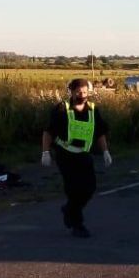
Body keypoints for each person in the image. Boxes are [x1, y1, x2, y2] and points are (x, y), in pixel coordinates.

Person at [41, 78, 112, 238]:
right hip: (65, 155)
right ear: (71, 92)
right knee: (74, 190)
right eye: (79, 92)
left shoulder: (93, 110)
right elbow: (48, 131)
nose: (82, 95)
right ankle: (77, 224)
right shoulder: (62, 109)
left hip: (84, 155)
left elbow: (100, 132)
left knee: (89, 188)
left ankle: (69, 210)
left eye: (85, 92)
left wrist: (105, 151)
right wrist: (45, 152)